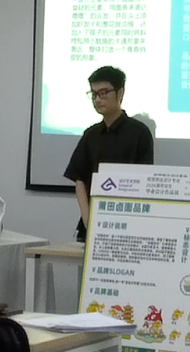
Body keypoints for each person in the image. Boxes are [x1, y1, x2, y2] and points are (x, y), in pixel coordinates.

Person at [64, 66, 154, 242]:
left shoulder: (139, 133)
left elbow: (144, 180)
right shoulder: (91, 135)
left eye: (104, 93)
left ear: (120, 93)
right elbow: (79, 179)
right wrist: (87, 219)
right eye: (94, 94)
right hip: (93, 222)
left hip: (128, 223)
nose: (98, 99)